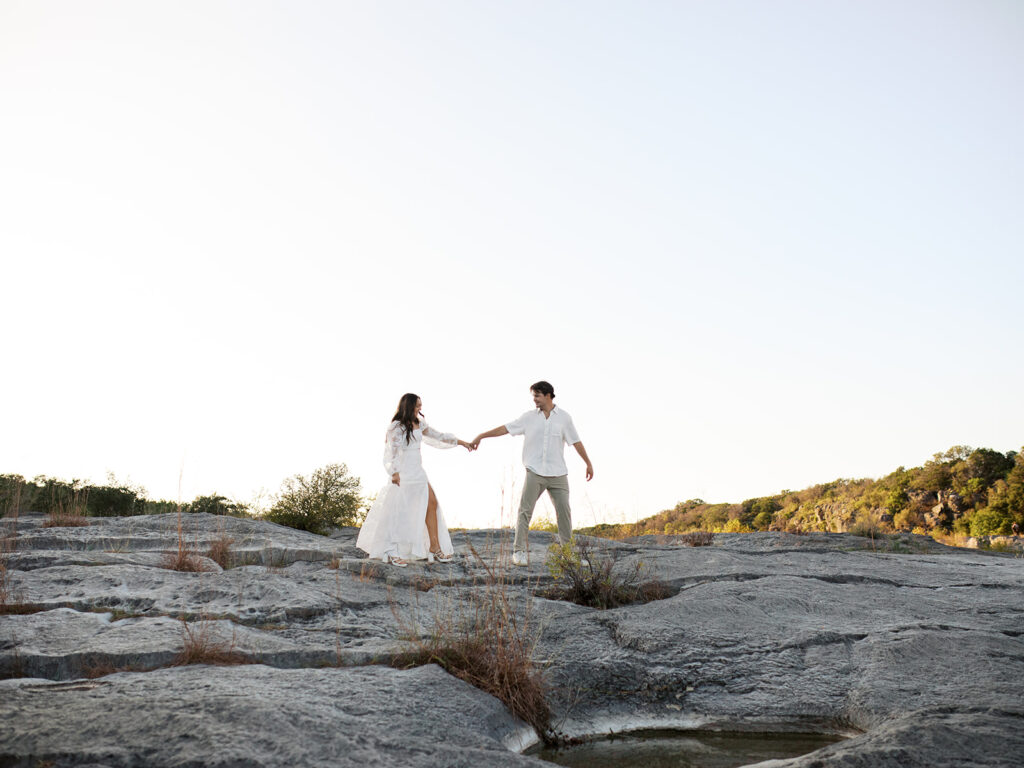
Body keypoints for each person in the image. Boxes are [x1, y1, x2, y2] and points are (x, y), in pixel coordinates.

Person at [472, 381, 593, 566]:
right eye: (533, 396)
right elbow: (505, 428)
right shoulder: (528, 418)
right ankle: (518, 551)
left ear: (548, 395)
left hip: (558, 473)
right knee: (525, 511)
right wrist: (481, 435)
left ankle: (568, 553)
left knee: (564, 513)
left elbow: (575, 441)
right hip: (535, 471)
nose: (534, 399)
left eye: (537, 395)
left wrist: (588, 463)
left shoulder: (564, 418)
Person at [356, 393, 474, 567]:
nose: (420, 408)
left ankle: (434, 546)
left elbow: (438, 436)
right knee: (399, 511)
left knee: (432, 504)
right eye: (417, 405)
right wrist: (394, 472)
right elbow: (391, 451)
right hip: (403, 474)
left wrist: (462, 443)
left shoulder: (419, 423)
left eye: (420, 405)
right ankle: (392, 549)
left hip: (418, 472)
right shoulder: (396, 426)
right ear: (408, 406)